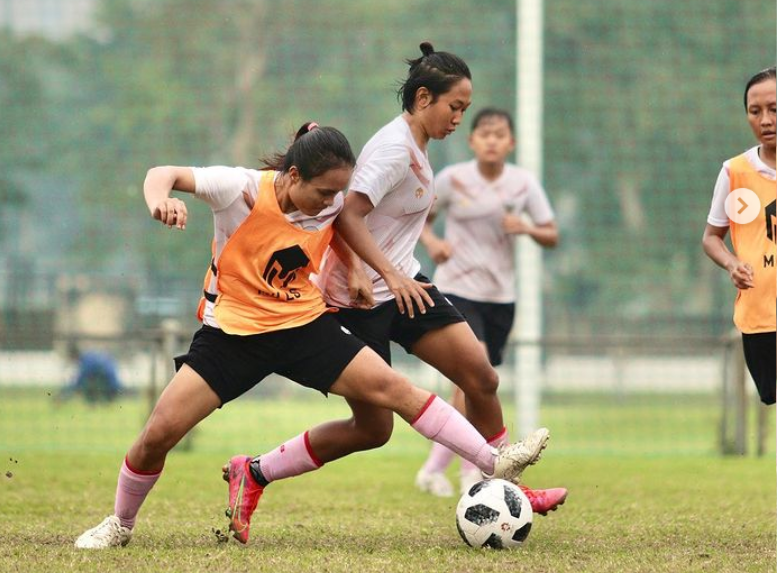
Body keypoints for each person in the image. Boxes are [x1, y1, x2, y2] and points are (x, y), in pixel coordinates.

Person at [75, 122, 548, 549]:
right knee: (157, 435)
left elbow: (343, 221)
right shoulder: (236, 188)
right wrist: (160, 200)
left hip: (304, 325)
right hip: (232, 336)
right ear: (292, 175)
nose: (331, 203)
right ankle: (120, 523)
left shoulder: (331, 198)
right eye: (323, 192)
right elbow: (163, 172)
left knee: (397, 391)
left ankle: (494, 460)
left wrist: (358, 269)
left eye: (337, 193)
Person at [311, 42, 563, 514]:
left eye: (464, 109)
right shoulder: (391, 149)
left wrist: (398, 270)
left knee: (481, 378)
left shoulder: (419, 148)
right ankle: (256, 469)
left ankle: (510, 489)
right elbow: (348, 213)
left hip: (406, 285)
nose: (458, 119)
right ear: (423, 98)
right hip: (358, 300)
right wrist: (374, 271)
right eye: (455, 107)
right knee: (372, 430)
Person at [414, 107, 560, 496]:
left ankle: (432, 469)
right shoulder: (452, 179)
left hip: (500, 298)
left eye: (500, 134)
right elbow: (420, 218)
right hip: (457, 291)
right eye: (485, 133)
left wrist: (526, 227)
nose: (492, 140)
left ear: (511, 143)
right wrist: (433, 243)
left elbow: (551, 233)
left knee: (474, 389)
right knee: (471, 374)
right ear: (472, 140)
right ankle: (471, 472)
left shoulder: (523, 184)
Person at [702, 66, 776, 406]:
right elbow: (712, 236)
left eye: (774, 109)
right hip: (760, 318)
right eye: (755, 111)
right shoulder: (735, 173)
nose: (765, 120)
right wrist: (731, 263)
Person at [57, 344, 125, 404]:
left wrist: (63, 396)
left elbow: (79, 381)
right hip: (114, 384)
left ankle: (94, 403)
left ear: (74, 356)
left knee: (87, 383)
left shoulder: (86, 361)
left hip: (110, 386)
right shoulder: (89, 357)